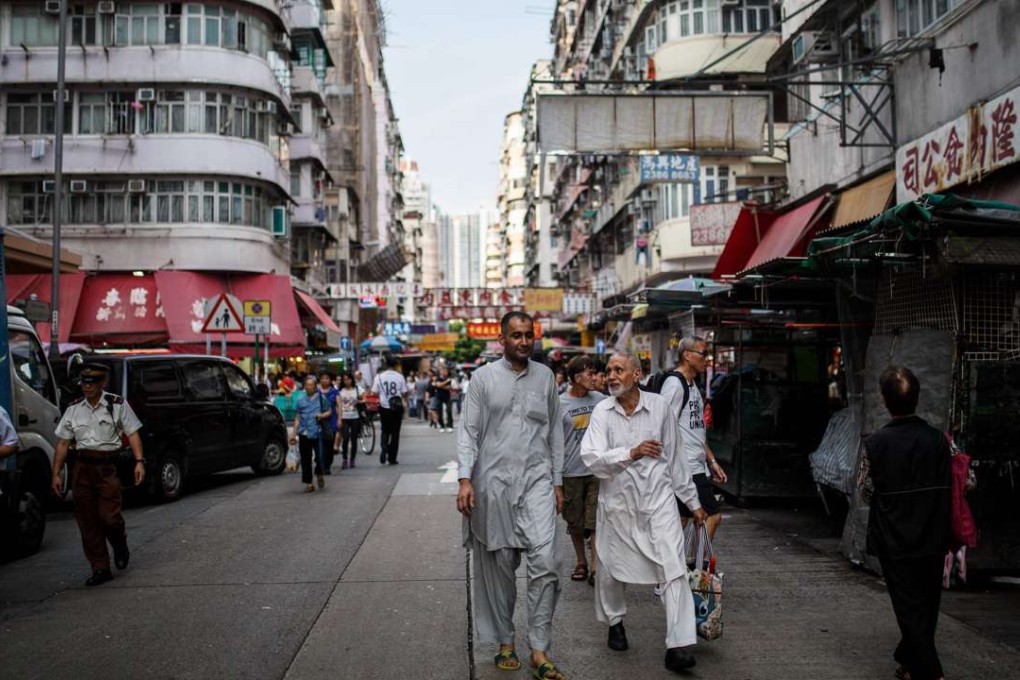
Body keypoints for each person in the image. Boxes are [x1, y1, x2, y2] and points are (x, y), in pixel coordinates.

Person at [580, 354, 707, 673]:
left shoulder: (660, 407)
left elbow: (676, 458)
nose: (610, 376)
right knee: (611, 570)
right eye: (608, 371)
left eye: (618, 370)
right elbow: (592, 459)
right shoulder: (602, 412)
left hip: (659, 505)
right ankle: (615, 621)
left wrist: (693, 503)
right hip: (618, 507)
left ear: (637, 374)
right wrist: (631, 453)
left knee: (674, 570)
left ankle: (677, 645)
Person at [457, 311, 566, 680]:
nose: (523, 341)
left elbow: (555, 434)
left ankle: (539, 648)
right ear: (501, 339)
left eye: (528, 335)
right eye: (516, 335)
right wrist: (464, 479)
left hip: (537, 481)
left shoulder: (546, 377)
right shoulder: (483, 378)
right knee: (501, 568)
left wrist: (557, 481)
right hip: (494, 484)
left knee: (546, 562)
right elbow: (469, 432)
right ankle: (505, 640)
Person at [862, 366, 951, 680]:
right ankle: (910, 661)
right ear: (917, 398)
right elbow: (967, 482)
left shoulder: (875, 444)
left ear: (886, 401)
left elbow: (865, 491)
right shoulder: (940, 440)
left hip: (894, 535)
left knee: (909, 606)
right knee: (926, 604)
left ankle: (931, 672)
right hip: (934, 532)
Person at [50, 363, 145, 587]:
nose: (87, 387)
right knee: (87, 521)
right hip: (82, 468)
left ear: (103, 383)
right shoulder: (74, 408)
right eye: (84, 382)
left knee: (110, 518)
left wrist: (139, 461)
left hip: (107, 468)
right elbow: (63, 443)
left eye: (92, 382)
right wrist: (56, 473)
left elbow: (132, 433)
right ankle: (100, 567)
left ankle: (119, 545)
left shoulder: (117, 405)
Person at [661, 336, 728, 540]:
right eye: (703, 353)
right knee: (712, 516)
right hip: (686, 467)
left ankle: (673, 566)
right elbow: (663, 426)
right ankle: (697, 568)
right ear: (687, 355)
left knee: (681, 519)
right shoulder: (674, 385)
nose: (707, 359)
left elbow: (696, 430)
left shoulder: (692, 387)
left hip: (695, 464)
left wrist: (712, 460)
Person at [559, 355, 606, 586]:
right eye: (589, 373)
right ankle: (581, 561)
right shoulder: (559, 405)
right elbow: (553, 442)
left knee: (595, 519)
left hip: (596, 470)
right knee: (575, 522)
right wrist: (554, 479)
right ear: (577, 378)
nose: (594, 377)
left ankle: (596, 568)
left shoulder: (600, 399)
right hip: (570, 472)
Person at [290, 376, 331, 492]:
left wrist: (321, 415)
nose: (309, 387)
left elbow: (329, 411)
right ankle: (309, 483)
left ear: (315, 386)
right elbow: (297, 417)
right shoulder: (300, 401)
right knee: (305, 459)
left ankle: (319, 474)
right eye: (307, 385)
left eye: (311, 385)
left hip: (317, 433)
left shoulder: (321, 398)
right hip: (304, 433)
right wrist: (293, 433)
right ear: (304, 387)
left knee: (320, 457)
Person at [371, 355, 409, 465]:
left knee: (385, 430)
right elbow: (404, 392)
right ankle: (392, 458)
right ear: (395, 365)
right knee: (395, 434)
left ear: (386, 364)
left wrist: (382, 394)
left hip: (384, 407)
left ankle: (384, 448)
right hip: (396, 408)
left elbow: (374, 392)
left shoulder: (379, 377)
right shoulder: (399, 376)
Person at [337, 372, 363, 469]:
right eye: (345, 379)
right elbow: (337, 404)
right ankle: (344, 459)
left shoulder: (357, 389)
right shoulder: (340, 391)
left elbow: (365, 398)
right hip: (344, 417)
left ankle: (352, 459)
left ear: (352, 379)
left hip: (355, 417)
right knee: (346, 438)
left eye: (348, 379)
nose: (347, 381)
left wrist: (359, 401)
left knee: (354, 439)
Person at [317, 371, 339, 474]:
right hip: (318, 421)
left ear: (330, 380)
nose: (324, 380)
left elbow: (339, 406)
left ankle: (327, 465)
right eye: (322, 378)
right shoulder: (316, 391)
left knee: (329, 445)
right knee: (320, 445)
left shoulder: (334, 392)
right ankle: (321, 465)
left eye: (326, 378)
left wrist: (340, 419)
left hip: (331, 421)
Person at [433, 365, 454, 432]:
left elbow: (449, 388)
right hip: (439, 397)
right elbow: (438, 385)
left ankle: (450, 426)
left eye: (446, 371)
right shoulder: (438, 378)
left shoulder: (449, 378)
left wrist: (440, 385)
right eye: (443, 371)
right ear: (441, 372)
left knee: (449, 411)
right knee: (439, 412)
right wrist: (445, 382)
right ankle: (442, 426)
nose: (444, 372)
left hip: (447, 397)